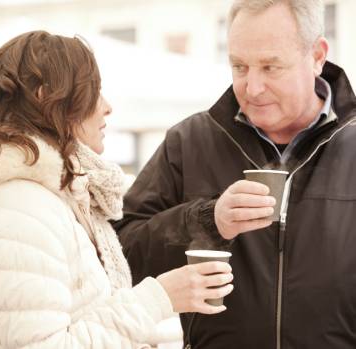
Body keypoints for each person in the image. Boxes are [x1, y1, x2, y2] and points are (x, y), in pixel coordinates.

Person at [0, 30, 233, 348]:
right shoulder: (19, 209)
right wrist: (159, 297)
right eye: (93, 91)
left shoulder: (50, 196)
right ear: (47, 98)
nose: (106, 106)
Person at [113, 1, 356, 348]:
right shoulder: (188, 142)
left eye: (271, 67)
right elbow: (118, 256)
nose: (252, 87)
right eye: (239, 66)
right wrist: (209, 221)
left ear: (317, 55)